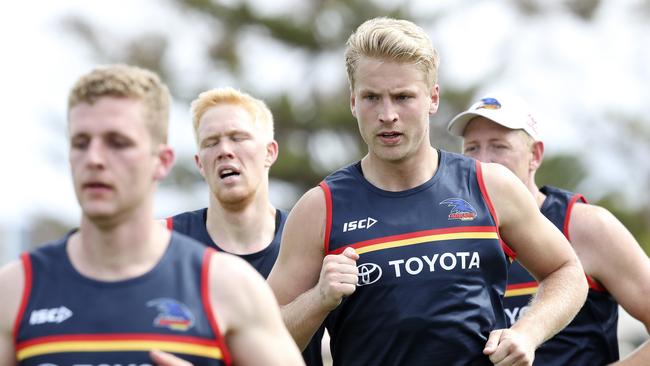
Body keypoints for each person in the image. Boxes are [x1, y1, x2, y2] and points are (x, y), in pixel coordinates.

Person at [267, 16, 588, 366]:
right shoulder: (321, 207)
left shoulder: (489, 185)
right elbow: (263, 339)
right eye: (371, 97)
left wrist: (527, 332)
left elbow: (567, 271)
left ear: (433, 98)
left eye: (403, 97)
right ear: (353, 101)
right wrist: (319, 298)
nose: (387, 115)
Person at [0, 64, 304, 366]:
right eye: (81, 143)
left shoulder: (228, 286)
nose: (94, 158)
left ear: (161, 161)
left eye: (118, 143)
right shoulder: (16, 289)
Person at [447, 93, 650, 365]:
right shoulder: (452, 233)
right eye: (472, 148)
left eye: (499, 146)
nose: (483, 162)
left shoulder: (584, 225)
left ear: (535, 155)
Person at [164, 87, 324, 365]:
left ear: (270, 152)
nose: (225, 150)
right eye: (211, 142)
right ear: (200, 163)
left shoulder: (310, 238)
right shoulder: (166, 243)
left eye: (238, 138)